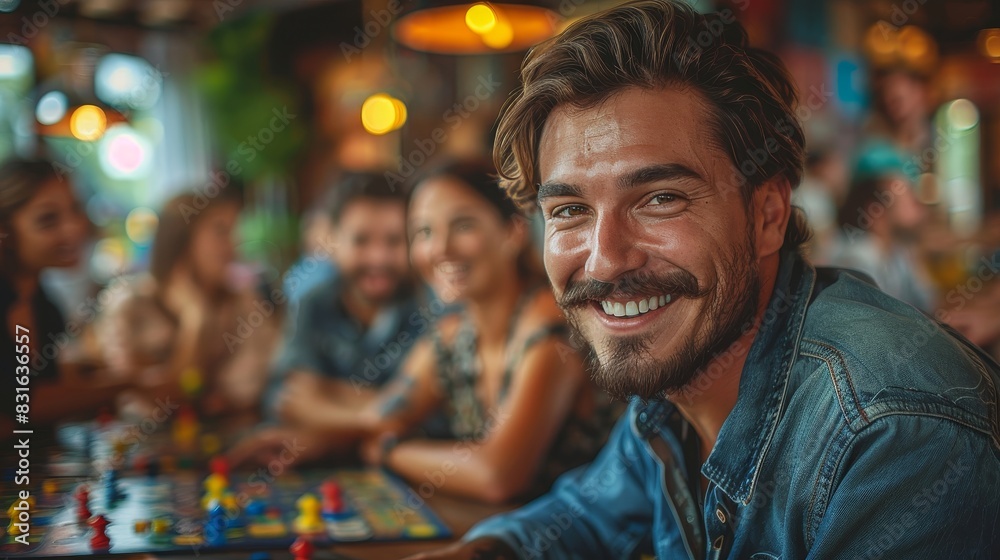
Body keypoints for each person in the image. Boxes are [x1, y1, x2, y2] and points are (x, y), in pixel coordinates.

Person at [412, 2, 1000, 558]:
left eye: (660, 199)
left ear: (766, 215)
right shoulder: (682, 376)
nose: (605, 260)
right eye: (569, 210)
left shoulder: (893, 433)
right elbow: (582, 513)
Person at [231, 160, 614, 503]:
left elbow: (497, 476)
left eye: (462, 225)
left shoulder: (549, 325)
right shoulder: (452, 333)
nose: (440, 249)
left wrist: (387, 451)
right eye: (423, 232)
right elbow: (386, 413)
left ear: (512, 232)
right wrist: (317, 443)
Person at [262, 172, 426, 427]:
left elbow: (433, 414)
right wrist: (389, 412)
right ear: (334, 240)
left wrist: (326, 396)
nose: (378, 258)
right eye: (361, 240)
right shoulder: (314, 303)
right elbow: (285, 398)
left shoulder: (430, 307)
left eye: (394, 241)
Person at [98, 188, 278, 419]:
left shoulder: (243, 301)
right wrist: (197, 321)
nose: (234, 246)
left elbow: (254, 385)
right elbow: (143, 399)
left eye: (234, 232)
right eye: (221, 232)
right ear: (181, 239)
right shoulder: (130, 306)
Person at [0, 156, 129, 433]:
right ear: (5, 231)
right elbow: (24, 406)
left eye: (75, 209)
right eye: (48, 220)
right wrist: (129, 383)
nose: (74, 228)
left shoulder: (43, 304)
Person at [825, 141, 937, 311]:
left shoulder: (898, 254)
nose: (920, 208)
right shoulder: (859, 262)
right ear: (875, 212)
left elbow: (928, 306)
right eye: (908, 197)